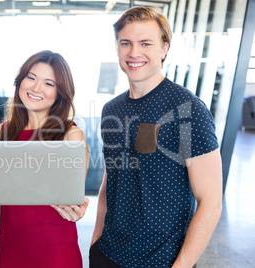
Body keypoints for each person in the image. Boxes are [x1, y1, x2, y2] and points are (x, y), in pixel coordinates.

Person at [90, 6, 223, 268]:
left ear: (164, 48)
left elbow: (211, 202)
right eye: (125, 43)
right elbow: (111, 178)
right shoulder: (112, 110)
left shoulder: (188, 109)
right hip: (108, 255)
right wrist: (96, 239)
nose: (134, 52)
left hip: (162, 261)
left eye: (145, 43)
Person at [0, 50, 90, 268]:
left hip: (55, 248)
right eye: (31, 78)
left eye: (49, 83)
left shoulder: (71, 135)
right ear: (20, 81)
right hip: (11, 245)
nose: (36, 88)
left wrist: (76, 208)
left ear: (61, 92)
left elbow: (72, 196)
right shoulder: (3, 132)